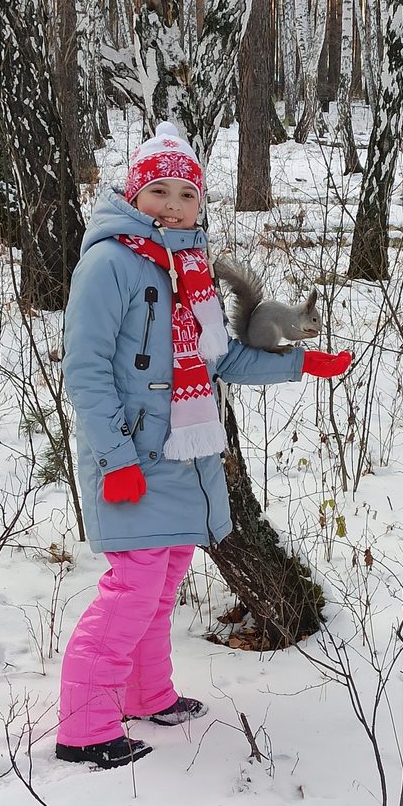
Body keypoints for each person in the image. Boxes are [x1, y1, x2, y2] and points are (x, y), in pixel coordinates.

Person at [56, 122, 352, 769]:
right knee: (131, 589)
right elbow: (85, 369)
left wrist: (303, 365)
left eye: (183, 194)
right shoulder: (110, 262)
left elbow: (217, 361)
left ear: (199, 204)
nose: (170, 204)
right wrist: (115, 461)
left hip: (185, 452)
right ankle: (83, 728)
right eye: (156, 190)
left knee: (160, 583)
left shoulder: (187, 267)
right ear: (133, 196)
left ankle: (147, 693)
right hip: (135, 453)